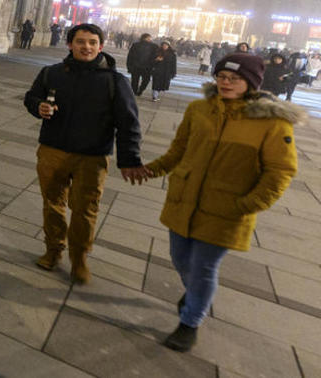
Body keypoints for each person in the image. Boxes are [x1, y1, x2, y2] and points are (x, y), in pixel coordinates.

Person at [139, 53, 301, 352]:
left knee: (203, 268)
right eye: (222, 77)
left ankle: (190, 322)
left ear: (251, 83)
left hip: (229, 208)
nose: (226, 83)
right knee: (180, 259)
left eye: (235, 79)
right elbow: (180, 149)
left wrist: (249, 204)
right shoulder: (199, 109)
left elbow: (281, 171)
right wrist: (153, 169)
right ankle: (196, 294)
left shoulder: (272, 122)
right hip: (184, 199)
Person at [23, 23, 145, 284]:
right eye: (80, 41)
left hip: (92, 157)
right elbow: (31, 97)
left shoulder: (114, 81)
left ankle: (79, 258)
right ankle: (53, 249)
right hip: (52, 150)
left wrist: (130, 159)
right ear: (70, 44)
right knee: (52, 202)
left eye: (92, 42)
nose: (86, 47)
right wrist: (39, 106)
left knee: (85, 209)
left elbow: (129, 122)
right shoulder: (51, 73)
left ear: (100, 46)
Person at [126, 33, 158, 97]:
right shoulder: (136, 45)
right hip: (141, 67)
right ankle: (137, 91)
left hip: (142, 67)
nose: (150, 39)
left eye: (150, 38)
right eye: (148, 38)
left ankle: (137, 91)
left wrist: (129, 66)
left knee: (141, 80)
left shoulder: (153, 46)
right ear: (144, 38)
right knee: (139, 81)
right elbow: (130, 56)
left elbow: (130, 57)